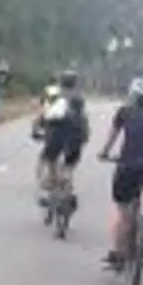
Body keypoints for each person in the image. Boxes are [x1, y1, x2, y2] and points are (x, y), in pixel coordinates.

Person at [96, 75, 143, 268]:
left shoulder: (124, 112)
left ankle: (118, 252)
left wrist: (104, 153)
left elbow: (113, 137)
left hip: (128, 165)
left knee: (124, 211)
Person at [35, 69, 88, 206]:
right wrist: (84, 135)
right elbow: (82, 119)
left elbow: (43, 113)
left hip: (55, 133)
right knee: (69, 165)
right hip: (75, 134)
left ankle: (53, 191)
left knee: (51, 161)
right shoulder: (79, 97)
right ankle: (67, 188)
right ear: (75, 82)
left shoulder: (54, 95)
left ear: (61, 82)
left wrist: (36, 128)